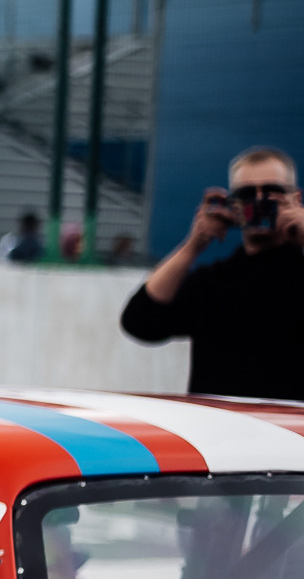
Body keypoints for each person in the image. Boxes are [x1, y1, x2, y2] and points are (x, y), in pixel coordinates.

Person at [122, 146, 304, 397]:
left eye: (272, 191)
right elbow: (140, 321)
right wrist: (193, 245)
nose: (260, 200)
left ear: (295, 199)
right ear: (235, 205)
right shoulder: (214, 282)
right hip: (218, 432)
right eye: (247, 193)